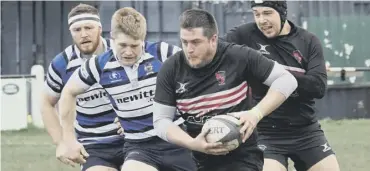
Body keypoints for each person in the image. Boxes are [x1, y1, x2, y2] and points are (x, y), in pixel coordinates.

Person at [153, 8, 298, 171]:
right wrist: (192, 143)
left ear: (213, 39)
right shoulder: (171, 68)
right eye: (184, 42)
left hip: (243, 156)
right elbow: (160, 121)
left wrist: (256, 113)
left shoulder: (237, 56)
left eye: (195, 42)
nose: (189, 49)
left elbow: (287, 80)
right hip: (198, 158)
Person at [58, 7, 196, 171]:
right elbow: (68, 92)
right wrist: (68, 139)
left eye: (135, 45)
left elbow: (198, 72)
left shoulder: (163, 53)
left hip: (176, 140)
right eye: (122, 45)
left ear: (143, 39)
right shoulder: (98, 65)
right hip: (139, 147)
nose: (128, 52)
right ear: (112, 38)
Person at [221, 1, 340, 171]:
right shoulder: (243, 35)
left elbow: (317, 87)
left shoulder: (308, 41)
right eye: (257, 14)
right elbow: (214, 50)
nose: (261, 20)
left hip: (306, 130)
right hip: (264, 132)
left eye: (267, 13)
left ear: (282, 12)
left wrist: (270, 74)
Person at [40, 3, 125, 171]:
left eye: (89, 27)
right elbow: (46, 103)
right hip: (93, 145)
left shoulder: (122, 52)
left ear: (100, 28)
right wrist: (61, 143)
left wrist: (135, 117)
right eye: (77, 30)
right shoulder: (62, 63)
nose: (84, 34)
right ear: (71, 32)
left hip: (131, 139)